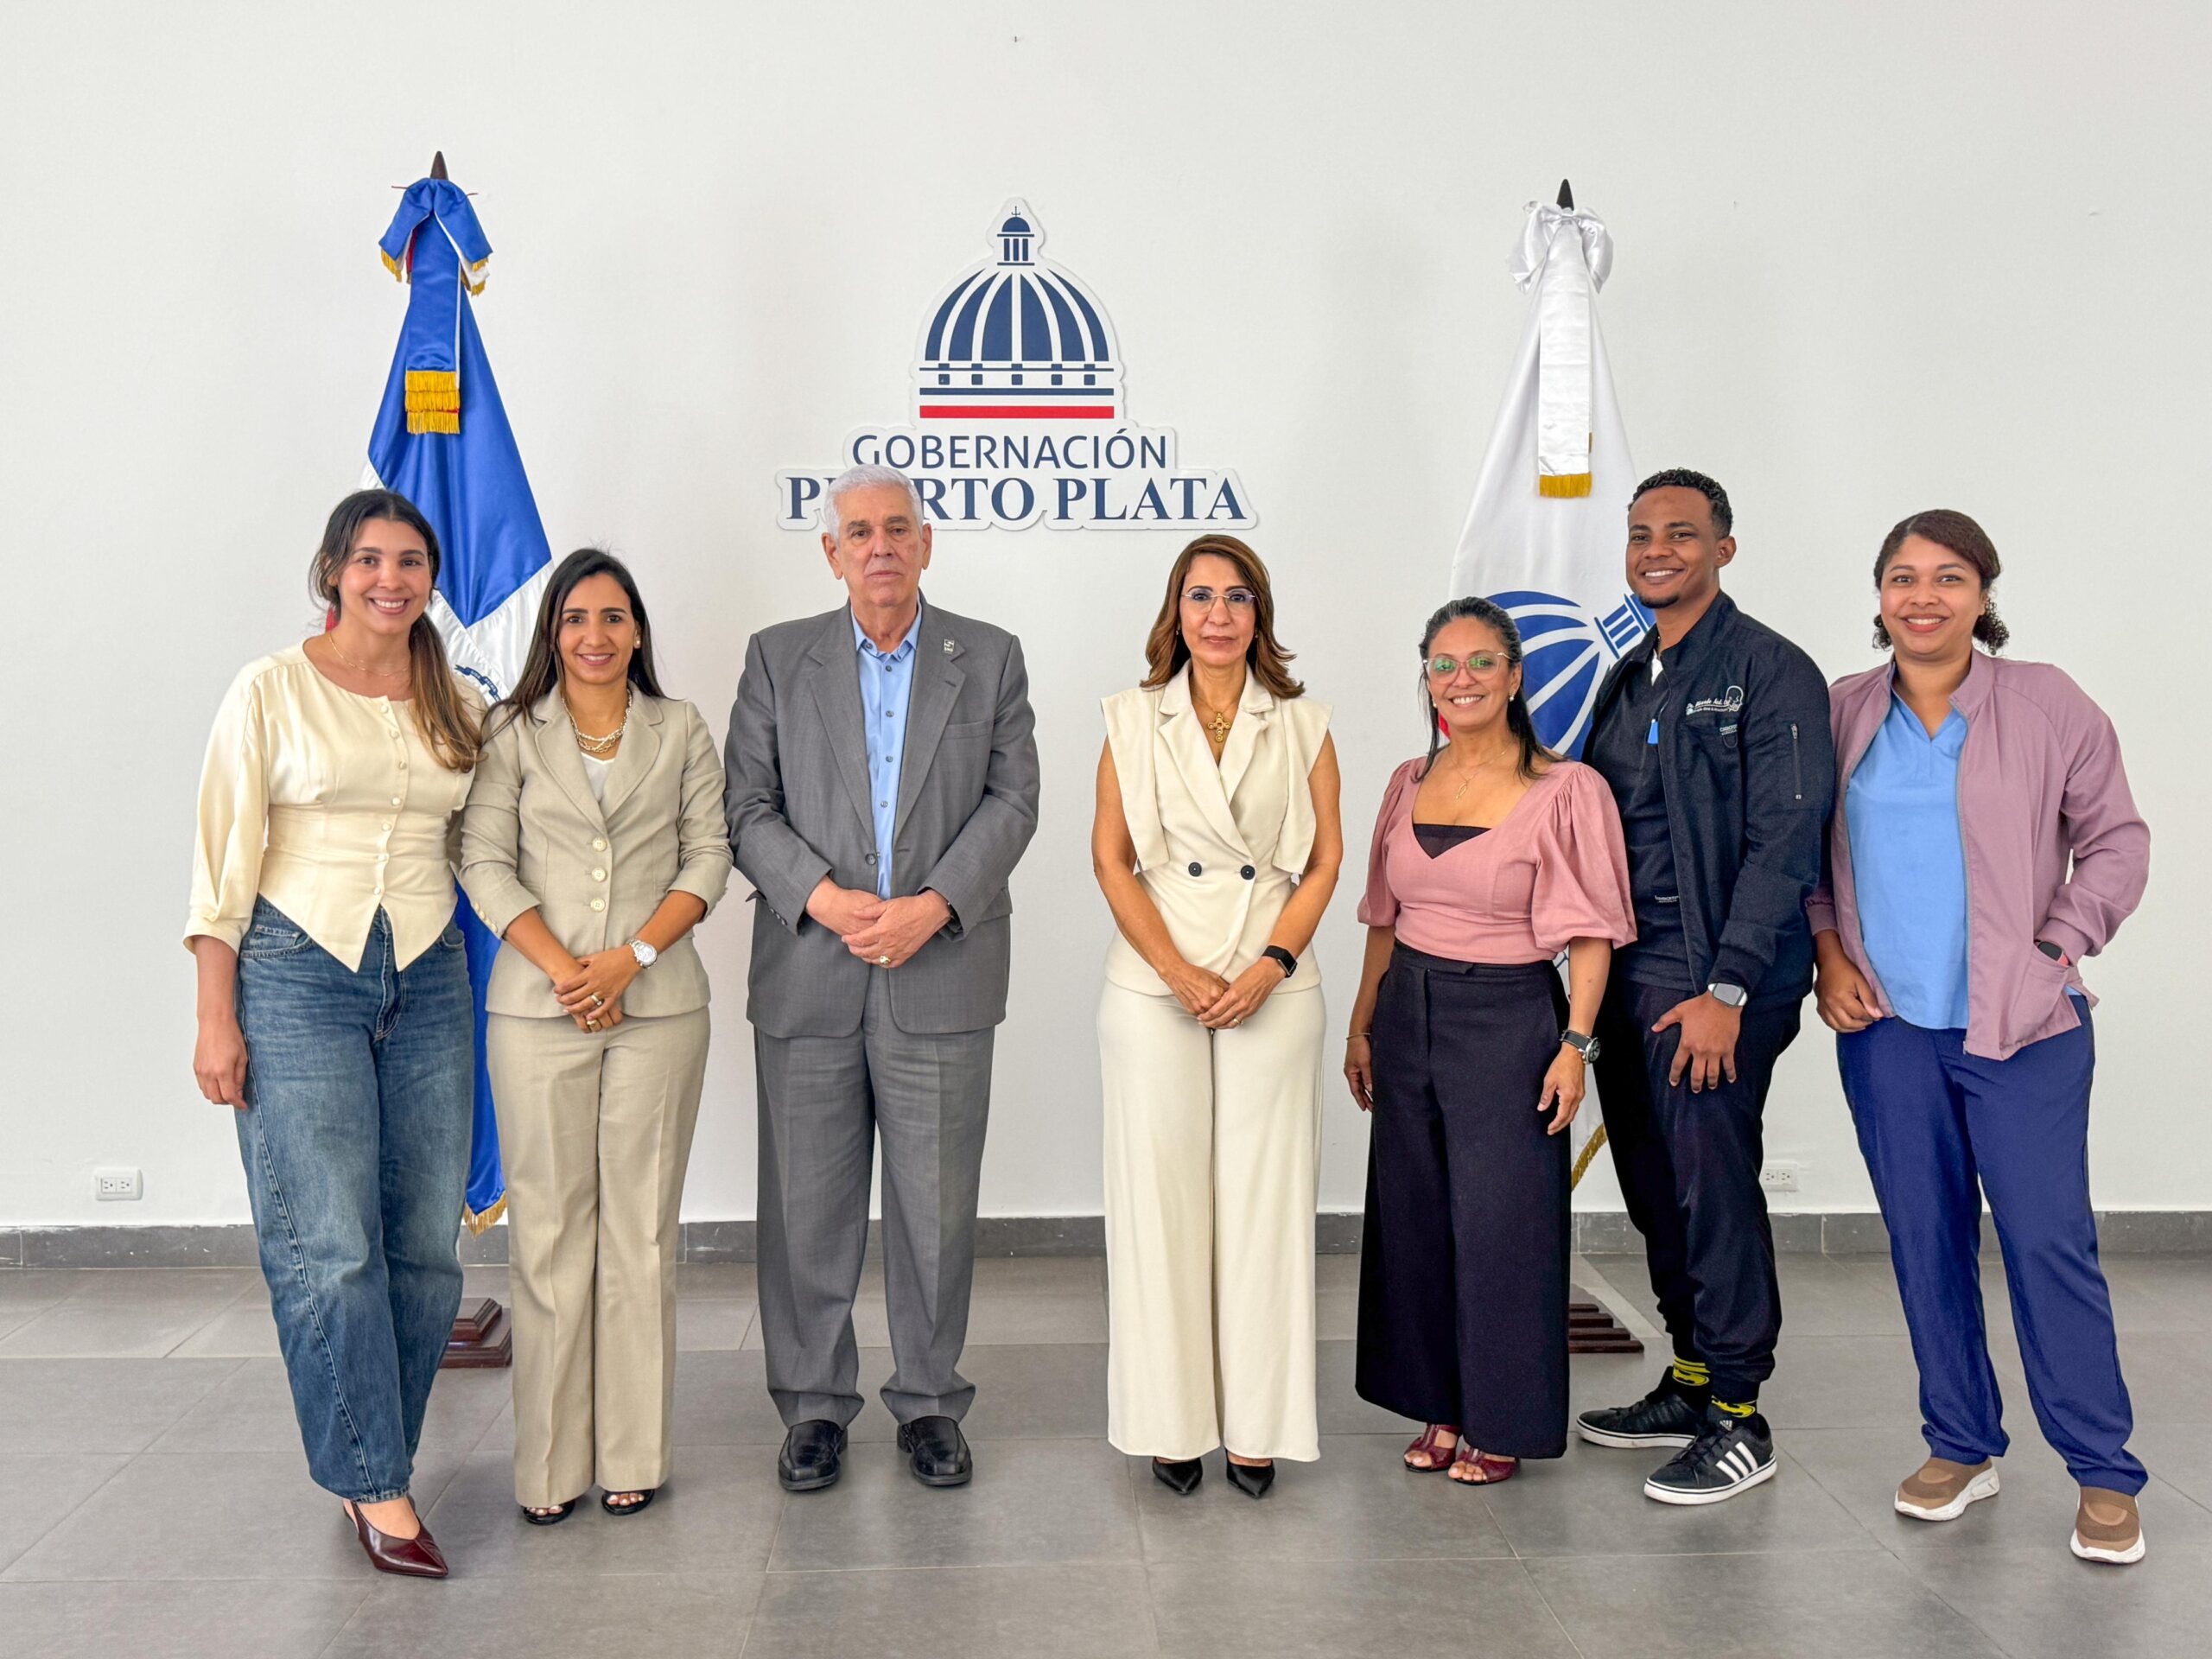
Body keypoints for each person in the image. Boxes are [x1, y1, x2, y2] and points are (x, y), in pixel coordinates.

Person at [1809, 510, 2152, 1565]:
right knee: (1924, 1239)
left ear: (1983, 595)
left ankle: (2102, 1470)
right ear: (1877, 598)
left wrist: (2058, 946)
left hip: (2027, 1028)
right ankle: (1960, 1442)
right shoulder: (1838, 711)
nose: (1924, 596)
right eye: (1903, 578)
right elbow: (1805, 859)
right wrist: (1827, 953)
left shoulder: (2046, 702)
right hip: (1889, 1031)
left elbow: (2117, 842)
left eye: (1948, 578)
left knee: (2048, 1243)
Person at [186, 489, 483, 1579]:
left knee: (424, 1248)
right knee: (331, 1245)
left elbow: (494, 836)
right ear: (332, 570)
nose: (390, 579)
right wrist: (216, 1018)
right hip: (295, 971)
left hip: (431, 974)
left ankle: (374, 1460)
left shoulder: (455, 701)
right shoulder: (269, 689)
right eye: (369, 560)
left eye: (411, 561)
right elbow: (222, 867)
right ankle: (376, 1485)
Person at [726, 462, 1040, 1493]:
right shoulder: (779, 660)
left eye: (897, 528)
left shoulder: (988, 658)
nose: (879, 547)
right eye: (857, 531)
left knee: (935, 1208)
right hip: (810, 969)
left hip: (940, 967)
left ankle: (930, 1403)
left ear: (926, 541)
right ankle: (813, 1406)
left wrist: (932, 906)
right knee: (806, 1209)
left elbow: (1011, 802)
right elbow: (746, 809)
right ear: (830, 551)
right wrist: (820, 896)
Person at [1572, 468, 1835, 1505]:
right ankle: (1687, 1378)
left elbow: (1786, 838)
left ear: (1724, 548)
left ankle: (1738, 1412)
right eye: (1640, 534)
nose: (1655, 550)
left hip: (1715, 985)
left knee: (1712, 1192)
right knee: (1651, 1189)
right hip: (1629, 978)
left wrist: (1726, 989)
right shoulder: (1629, 673)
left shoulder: (1770, 671)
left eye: (1680, 534)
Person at [459, 548, 732, 1524]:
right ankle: (547, 1468)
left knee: (641, 1234)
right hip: (538, 1013)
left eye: (614, 618)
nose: (595, 636)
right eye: (576, 619)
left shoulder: (682, 727)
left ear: (639, 632)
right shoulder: (508, 733)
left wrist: (632, 961)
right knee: (547, 1237)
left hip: (659, 1011)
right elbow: (483, 860)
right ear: (553, 634)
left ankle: (632, 1454)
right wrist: (569, 969)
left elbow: (711, 853)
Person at [1345, 597, 1631, 1484]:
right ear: (1424, 678)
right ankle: (1438, 1401)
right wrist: (1363, 1025)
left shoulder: (1566, 789)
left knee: (1504, 1225)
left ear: (1515, 676)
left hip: (1511, 1018)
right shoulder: (1404, 780)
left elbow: (1589, 933)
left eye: (1478, 663)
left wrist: (1574, 1046)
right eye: (1442, 663)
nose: (1458, 680)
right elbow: (1382, 921)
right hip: (1406, 1014)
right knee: (1416, 1217)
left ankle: (1500, 1418)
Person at [1092, 535, 1342, 1500]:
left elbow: (1320, 863)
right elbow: (1111, 859)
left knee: (1264, 1207)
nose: (1218, 615)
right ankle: (1170, 1421)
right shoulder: (1126, 718)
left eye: (1236, 597)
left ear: (1258, 614)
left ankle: (1258, 1427)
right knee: (1160, 1209)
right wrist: (1177, 970)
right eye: (1199, 597)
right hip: (1156, 982)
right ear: (1175, 613)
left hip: (1273, 981)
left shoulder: (1306, 721)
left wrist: (1271, 963)